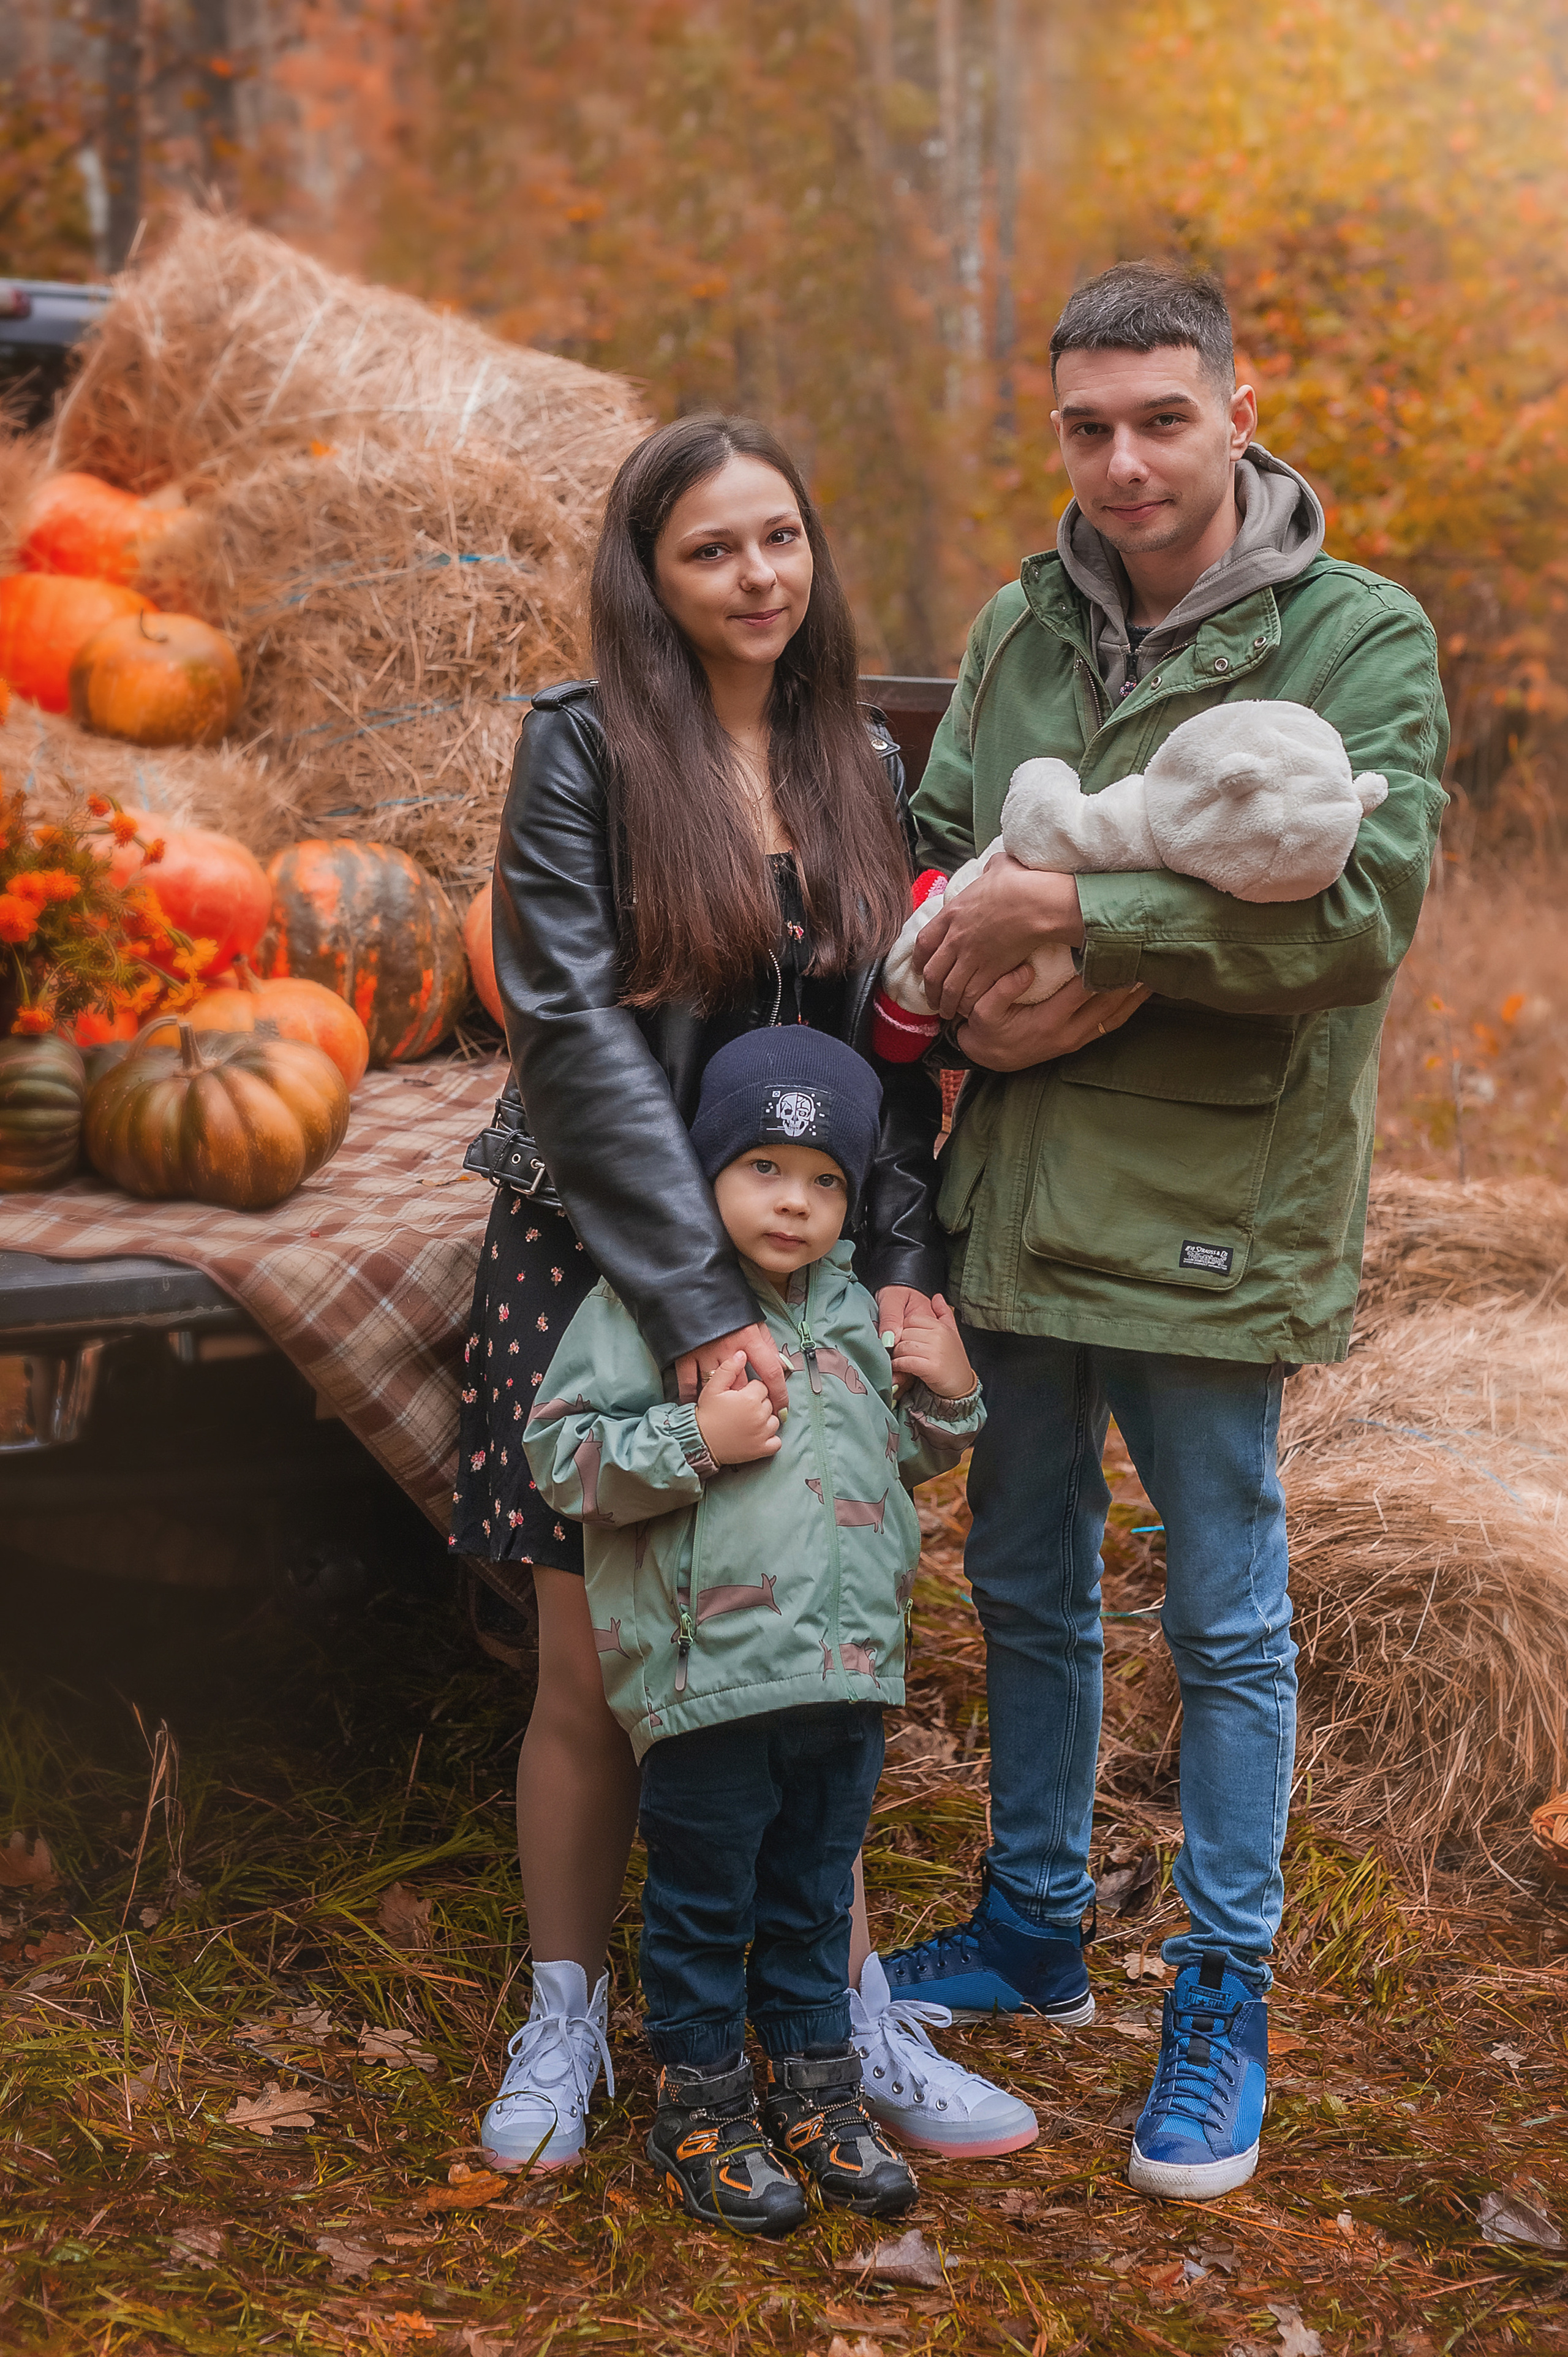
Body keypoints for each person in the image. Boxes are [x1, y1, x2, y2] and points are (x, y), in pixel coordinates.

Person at [888, 262, 1448, 2201]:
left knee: (1223, 1620)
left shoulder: (1357, 638)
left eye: (1161, 418)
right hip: (1020, 1180)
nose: (1121, 461)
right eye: (1086, 425)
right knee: (1025, 1582)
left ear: (1236, 408)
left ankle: (1223, 1989)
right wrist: (954, 976)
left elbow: (1355, 917)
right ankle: (1035, 1924)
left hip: (1217, 1195)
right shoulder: (1020, 620)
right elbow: (952, 848)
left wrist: (1082, 925)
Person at [451, 412, 1035, 2171]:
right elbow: (568, 1038)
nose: (757, 575)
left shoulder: (857, 754)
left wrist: (907, 1278)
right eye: (712, 549)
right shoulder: (582, 751)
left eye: (779, 537)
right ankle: (568, 2026)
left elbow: (885, 1061)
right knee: (594, 1673)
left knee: (805, 1660)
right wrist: (698, 1302)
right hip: (600, 1255)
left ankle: (837, 2018)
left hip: (805, 1270)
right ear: (652, 575)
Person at [523, 1029, 987, 2234]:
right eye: (763, 1167)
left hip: (843, 1676)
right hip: (710, 1675)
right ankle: (699, 2104)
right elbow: (561, 1456)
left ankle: (814, 2091)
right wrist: (694, 1441)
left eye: (824, 1179)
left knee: (810, 1895)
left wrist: (947, 1389)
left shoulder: (848, 1309)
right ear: (704, 1176)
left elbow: (899, 1460)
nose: (795, 1199)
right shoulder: (643, 1308)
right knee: (702, 1901)